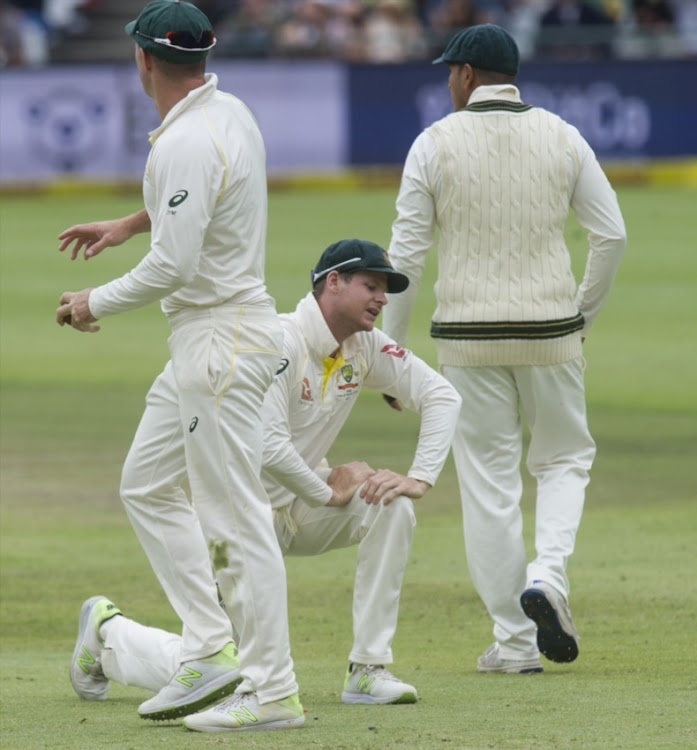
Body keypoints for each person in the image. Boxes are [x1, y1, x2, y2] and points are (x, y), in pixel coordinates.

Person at [69, 238, 462, 731]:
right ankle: (107, 637)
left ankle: (368, 669)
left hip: (298, 512)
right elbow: (267, 446)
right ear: (332, 282)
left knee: (391, 505)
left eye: (386, 289)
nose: (383, 298)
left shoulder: (366, 346)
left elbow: (441, 396)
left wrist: (418, 477)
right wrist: (328, 490)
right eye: (372, 285)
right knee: (222, 665)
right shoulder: (275, 341)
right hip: (232, 524)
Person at [56, 0, 302, 731]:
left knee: (234, 517)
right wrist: (129, 221)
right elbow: (194, 207)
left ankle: (270, 691)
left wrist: (95, 301)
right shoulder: (228, 113)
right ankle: (208, 648)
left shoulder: (186, 141)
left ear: (142, 60)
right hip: (211, 339)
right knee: (147, 485)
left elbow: (175, 262)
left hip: (219, 341)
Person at [381, 24, 626, 674]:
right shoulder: (561, 134)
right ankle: (547, 575)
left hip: (465, 340)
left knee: (489, 486)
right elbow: (611, 236)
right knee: (563, 460)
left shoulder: (432, 142)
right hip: (550, 332)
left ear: (464, 74)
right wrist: (580, 317)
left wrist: (390, 352)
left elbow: (404, 255)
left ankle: (515, 645)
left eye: (447, 72)